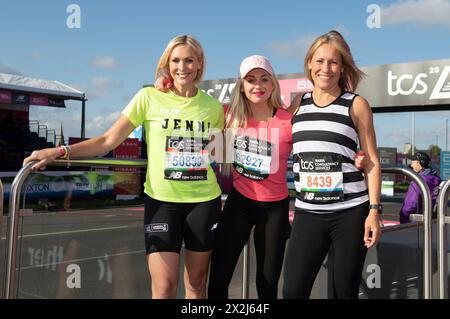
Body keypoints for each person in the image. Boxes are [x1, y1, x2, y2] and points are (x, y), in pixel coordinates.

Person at [23, 35, 225, 299]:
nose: (182, 67)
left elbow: (220, 154)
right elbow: (107, 140)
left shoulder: (213, 107)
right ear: (167, 63)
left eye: (189, 60)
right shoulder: (148, 97)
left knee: (196, 285)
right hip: (162, 203)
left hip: (204, 202)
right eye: (175, 60)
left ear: (199, 64)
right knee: (163, 288)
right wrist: (61, 151)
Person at [283, 30, 382, 299]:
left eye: (333, 62)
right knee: (293, 290)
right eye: (319, 61)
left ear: (342, 67)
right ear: (309, 64)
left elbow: (371, 159)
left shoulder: (356, 104)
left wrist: (374, 211)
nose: (325, 68)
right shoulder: (296, 104)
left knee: (344, 291)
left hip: (350, 211)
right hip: (308, 212)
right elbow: (258, 118)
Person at [207, 55, 292, 299]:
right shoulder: (228, 115)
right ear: (242, 86)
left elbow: (317, 145)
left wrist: (356, 157)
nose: (258, 85)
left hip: (274, 209)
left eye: (264, 79)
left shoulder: (287, 120)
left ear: (273, 83)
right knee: (218, 279)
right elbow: (209, 149)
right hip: (239, 203)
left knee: (267, 286)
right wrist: (164, 84)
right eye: (251, 80)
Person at [399, 151, 441, 224]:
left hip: (417, 225)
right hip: (433, 222)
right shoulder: (437, 179)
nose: (411, 165)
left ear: (418, 163)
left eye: (413, 162)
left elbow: (410, 205)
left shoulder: (418, 181)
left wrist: (403, 218)